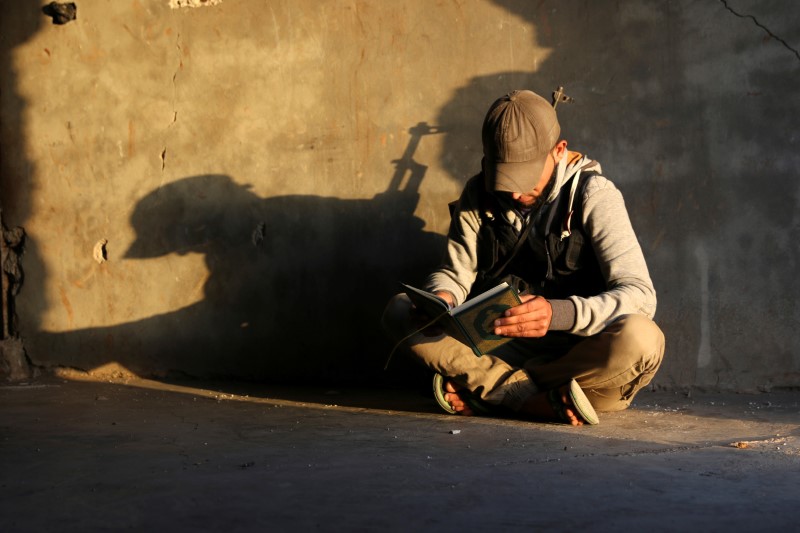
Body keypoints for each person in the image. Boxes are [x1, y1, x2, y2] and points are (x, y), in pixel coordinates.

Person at [382, 89, 664, 426]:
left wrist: (558, 314)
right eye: (504, 178)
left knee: (642, 338)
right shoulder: (477, 194)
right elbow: (454, 273)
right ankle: (530, 399)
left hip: (578, 356)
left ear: (558, 151)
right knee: (401, 311)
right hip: (503, 349)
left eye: (526, 178)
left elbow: (640, 296)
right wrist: (441, 297)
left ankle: (489, 391)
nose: (515, 193)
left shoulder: (595, 195)